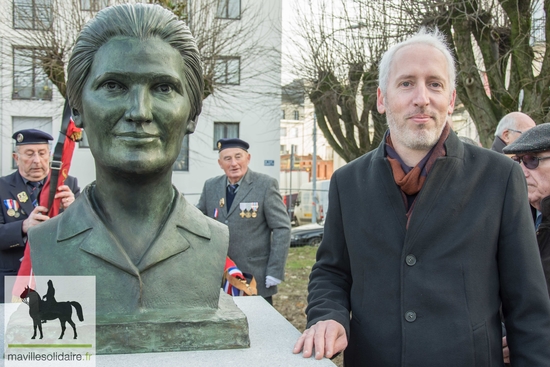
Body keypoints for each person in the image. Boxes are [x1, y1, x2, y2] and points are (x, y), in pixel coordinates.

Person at [293, 29, 550, 366]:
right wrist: (328, 316)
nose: (422, 98)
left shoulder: (500, 178)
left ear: (452, 99)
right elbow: (332, 272)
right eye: (406, 83)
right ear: (381, 98)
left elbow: (527, 307)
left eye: (435, 84)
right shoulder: (347, 182)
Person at [28, 3, 228, 316]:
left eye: (163, 87)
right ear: (77, 108)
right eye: (113, 86)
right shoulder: (46, 241)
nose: (139, 111)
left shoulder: (213, 238)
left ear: (192, 114)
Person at [197, 138, 291, 305]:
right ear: (220, 163)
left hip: (254, 277)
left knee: (258, 327)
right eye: (227, 159)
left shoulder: (265, 185)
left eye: (238, 157)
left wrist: (275, 270)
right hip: (219, 276)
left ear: (248, 158)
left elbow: (281, 228)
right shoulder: (211, 186)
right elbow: (198, 221)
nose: (234, 163)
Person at [0, 129, 79, 303]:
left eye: (42, 153)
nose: (37, 160)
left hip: (57, 278)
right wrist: (23, 227)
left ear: (49, 155)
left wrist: (74, 208)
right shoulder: (2, 187)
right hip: (14, 278)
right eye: (29, 154)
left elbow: (87, 232)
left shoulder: (68, 184)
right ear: (16, 158)